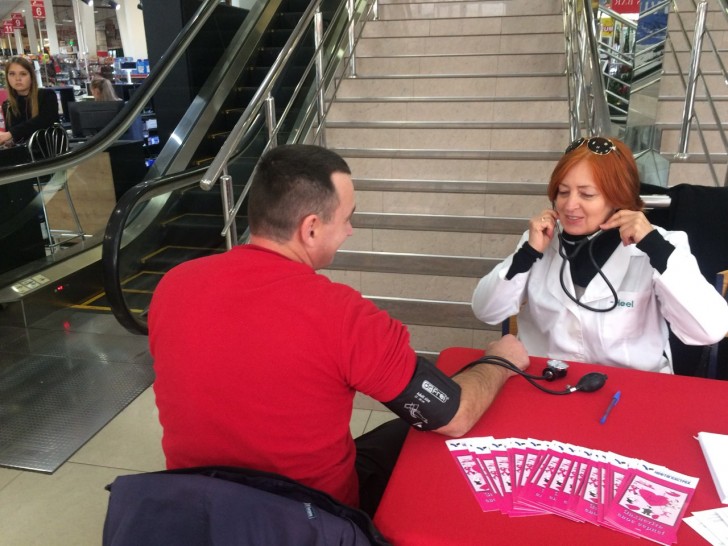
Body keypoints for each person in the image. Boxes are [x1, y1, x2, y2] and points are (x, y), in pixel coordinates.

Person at [149, 144, 529, 517]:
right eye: (347, 218)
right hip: (310, 522)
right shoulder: (342, 316)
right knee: (425, 440)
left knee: (393, 435)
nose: (350, 230)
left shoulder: (172, 286)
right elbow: (454, 415)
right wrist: (500, 360)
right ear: (311, 228)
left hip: (195, 512)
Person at [472, 136, 728, 374]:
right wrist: (527, 254)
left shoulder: (661, 245)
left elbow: (710, 329)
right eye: (563, 192)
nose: (570, 205)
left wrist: (654, 247)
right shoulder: (540, 240)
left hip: (631, 388)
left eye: (587, 194)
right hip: (547, 381)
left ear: (619, 197)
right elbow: (486, 311)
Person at [0, 56, 59, 147]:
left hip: (49, 151)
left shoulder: (47, 95)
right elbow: (15, 138)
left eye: (23, 74)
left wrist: (10, 134)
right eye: (12, 74)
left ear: (31, 76)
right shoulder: (8, 104)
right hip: (21, 153)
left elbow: (44, 121)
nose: (17, 78)